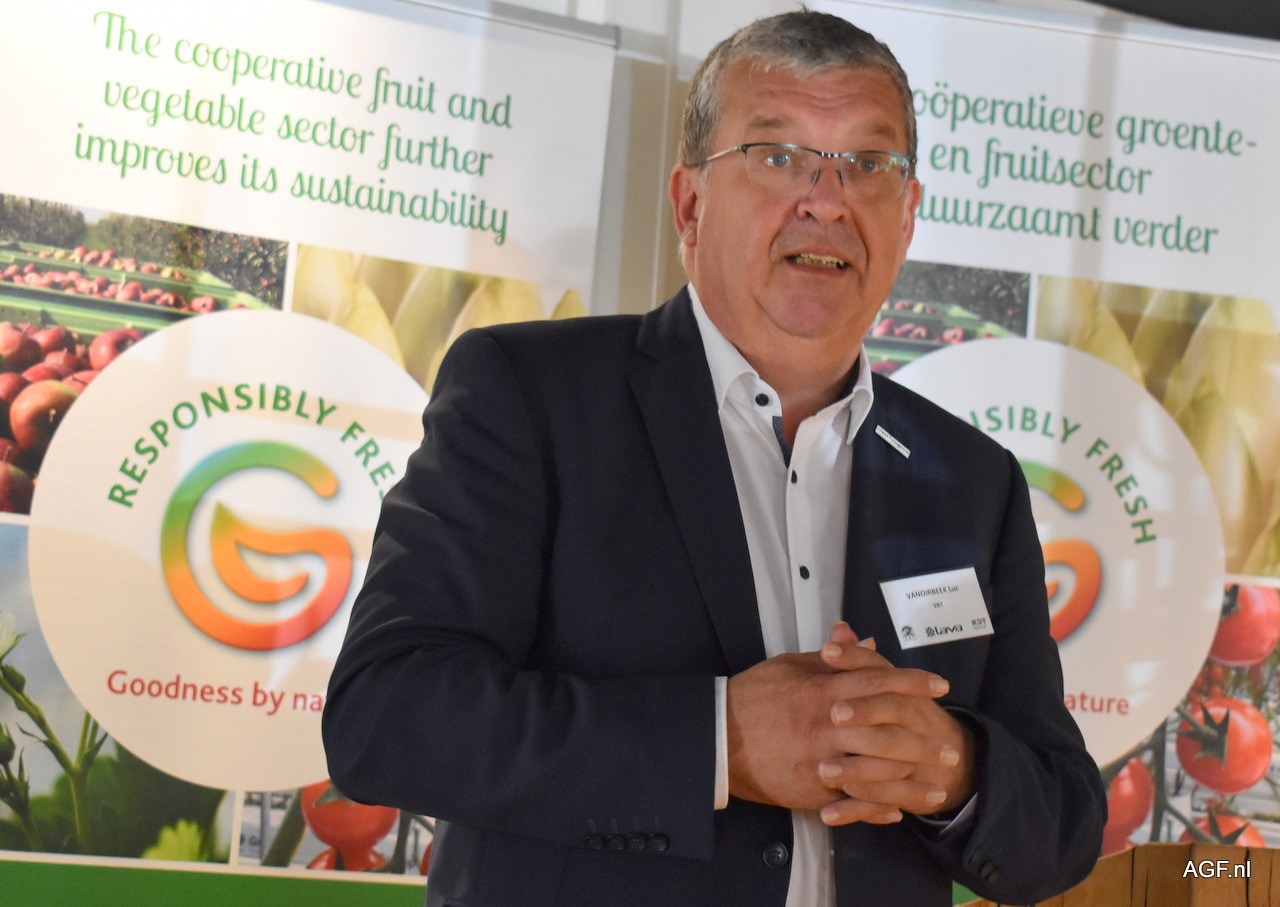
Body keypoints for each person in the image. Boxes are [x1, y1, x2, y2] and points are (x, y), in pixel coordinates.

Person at [322, 10, 1105, 907]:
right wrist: (721, 742)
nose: (827, 199)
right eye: (778, 156)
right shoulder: (532, 394)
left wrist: (955, 770)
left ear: (909, 214)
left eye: (869, 163)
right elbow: (387, 715)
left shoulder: (971, 478)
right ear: (690, 204)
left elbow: (1065, 823)